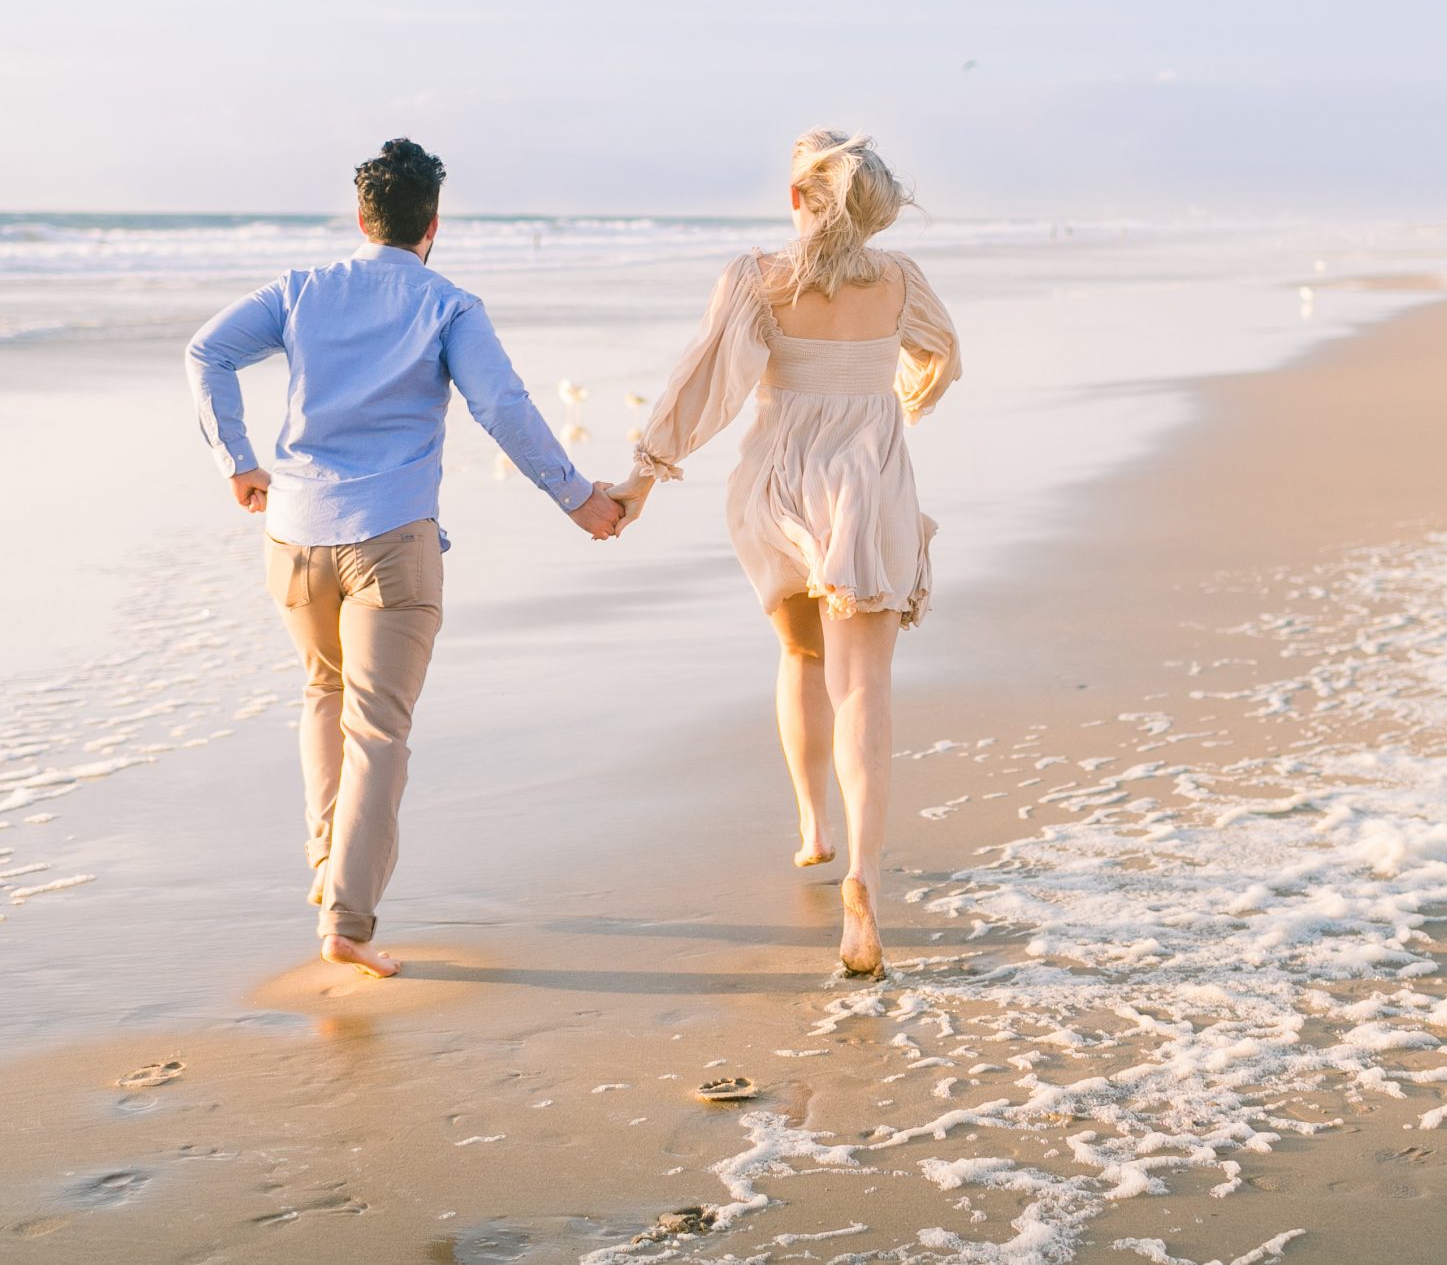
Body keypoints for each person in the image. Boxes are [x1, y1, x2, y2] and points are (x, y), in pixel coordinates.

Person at [185, 139, 625, 980]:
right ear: (433, 225)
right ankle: (348, 921)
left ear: (361, 218)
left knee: (323, 692)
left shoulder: (301, 289)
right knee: (378, 728)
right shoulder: (448, 304)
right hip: (391, 543)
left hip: (295, 538)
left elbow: (204, 351)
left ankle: (328, 875)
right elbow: (500, 402)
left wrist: (235, 460)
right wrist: (577, 496)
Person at [607, 131, 958, 976]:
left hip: (777, 489)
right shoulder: (901, 280)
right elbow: (942, 353)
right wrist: (902, 403)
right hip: (866, 488)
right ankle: (864, 883)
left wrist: (640, 481)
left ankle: (812, 824)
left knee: (801, 653)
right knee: (863, 684)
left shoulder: (758, 277)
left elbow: (699, 388)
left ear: (800, 199)